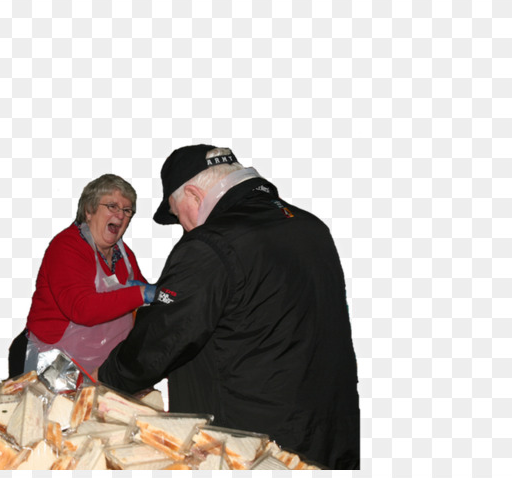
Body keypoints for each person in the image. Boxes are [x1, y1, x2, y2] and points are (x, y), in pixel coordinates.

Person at [97, 145, 360, 469]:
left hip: (252, 453)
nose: (186, 229)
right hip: (329, 442)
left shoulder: (212, 245)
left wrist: (106, 377)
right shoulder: (310, 227)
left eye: (180, 217)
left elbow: (161, 338)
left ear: (193, 194)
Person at [16, 174, 156, 376]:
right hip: (54, 362)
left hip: (103, 366)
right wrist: (140, 293)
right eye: (112, 206)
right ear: (89, 210)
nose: (121, 215)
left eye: (127, 210)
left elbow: (141, 307)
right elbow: (82, 309)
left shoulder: (124, 256)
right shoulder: (67, 246)